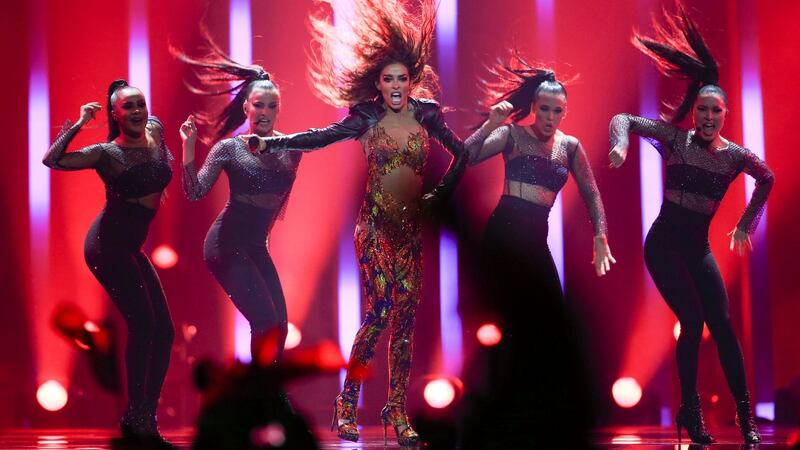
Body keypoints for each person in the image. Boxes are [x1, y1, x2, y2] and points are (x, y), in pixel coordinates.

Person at [247, 0, 468, 444]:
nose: (396, 86)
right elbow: (321, 137)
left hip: (410, 231)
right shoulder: (366, 116)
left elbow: (463, 154)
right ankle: (347, 404)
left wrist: (438, 196)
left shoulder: (426, 113)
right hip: (374, 229)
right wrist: (275, 144)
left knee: (405, 323)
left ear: (412, 79)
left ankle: (398, 413)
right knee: (378, 314)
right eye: (387, 79)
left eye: (402, 78)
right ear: (377, 83)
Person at [608, 2, 773, 443]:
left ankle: (746, 417)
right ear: (695, 111)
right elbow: (623, 118)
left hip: (698, 247)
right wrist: (621, 143)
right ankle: (692, 412)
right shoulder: (676, 139)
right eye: (702, 109)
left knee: (722, 325)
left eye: (715, 111)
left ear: (725, 115)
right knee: (692, 320)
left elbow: (767, 177)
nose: (707, 117)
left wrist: (745, 224)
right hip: (662, 245)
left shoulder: (736, 156)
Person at [460, 53, 613, 448]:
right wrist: (491, 124)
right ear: (534, 108)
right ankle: (496, 401)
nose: (549, 117)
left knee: (550, 316)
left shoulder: (571, 147)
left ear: (564, 112)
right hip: (503, 233)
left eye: (557, 110)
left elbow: (593, 195)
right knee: (505, 321)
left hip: (535, 238)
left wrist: (601, 236)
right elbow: (468, 156)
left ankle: (536, 403)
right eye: (543, 108)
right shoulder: (513, 135)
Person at [43, 80, 175, 447]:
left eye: (140, 104)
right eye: (128, 106)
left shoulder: (156, 131)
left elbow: (160, 170)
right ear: (115, 114)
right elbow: (52, 160)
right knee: (144, 326)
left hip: (133, 246)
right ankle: (136, 419)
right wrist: (79, 124)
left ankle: (145, 415)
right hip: (106, 246)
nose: (137, 111)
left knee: (165, 332)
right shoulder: (106, 153)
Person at [173, 30, 300, 361]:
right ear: (247, 107)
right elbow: (195, 192)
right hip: (225, 244)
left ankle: (269, 394)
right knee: (265, 321)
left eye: (272, 106)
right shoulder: (229, 148)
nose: (265, 112)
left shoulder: (292, 148)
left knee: (281, 325)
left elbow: (276, 206)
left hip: (256, 246)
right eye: (259, 105)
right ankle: (254, 399)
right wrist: (188, 150)